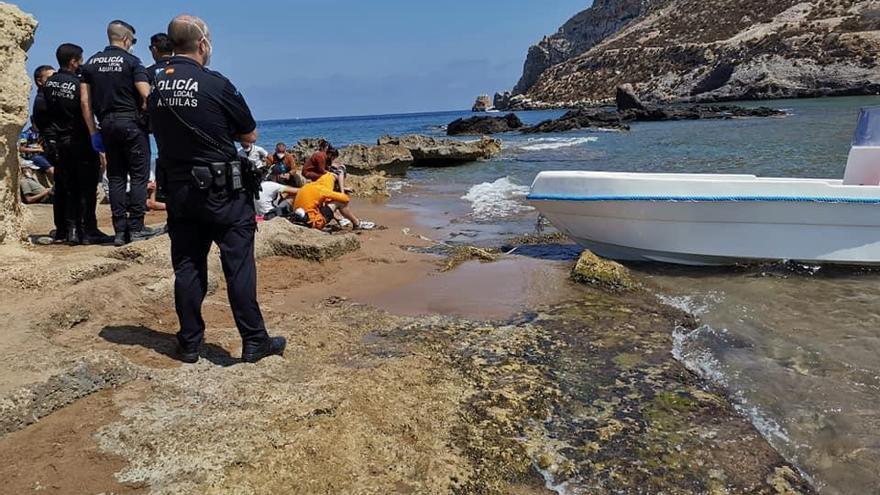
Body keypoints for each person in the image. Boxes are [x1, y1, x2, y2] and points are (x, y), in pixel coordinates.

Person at [148, 14, 286, 364]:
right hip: (222, 190)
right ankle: (254, 341)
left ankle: (190, 343)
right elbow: (249, 134)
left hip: (178, 189)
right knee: (238, 265)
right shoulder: (215, 83)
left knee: (189, 267)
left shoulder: (151, 81)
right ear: (203, 44)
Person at [81, 19, 160, 246]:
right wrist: (149, 116)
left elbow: (85, 103)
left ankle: (118, 231)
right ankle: (135, 228)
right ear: (126, 39)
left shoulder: (91, 63)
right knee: (138, 176)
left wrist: (93, 132)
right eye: (133, 40)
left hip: (106, 125)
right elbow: (146, 95)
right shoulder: (132, 61)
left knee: (115, 176)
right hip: (131, 123)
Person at [43, 43, 112, 245]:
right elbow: (86, 108)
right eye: (80, 59)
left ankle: (72, 229)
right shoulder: (78, 83)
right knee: (88, 187)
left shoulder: (49, 83)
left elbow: (43, 112)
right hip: (80, 140)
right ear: (74, 61)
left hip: (60, 142)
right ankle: (89, 229)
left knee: (69, 187)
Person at [292, 173, 374, 231]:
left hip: (298, 218)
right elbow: (345, 199)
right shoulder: (322, 190)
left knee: (321, 203)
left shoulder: (306, 187)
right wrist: (336, 193)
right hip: (314, 222)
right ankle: (357, 223)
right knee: (339, 202)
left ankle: (342, 220)